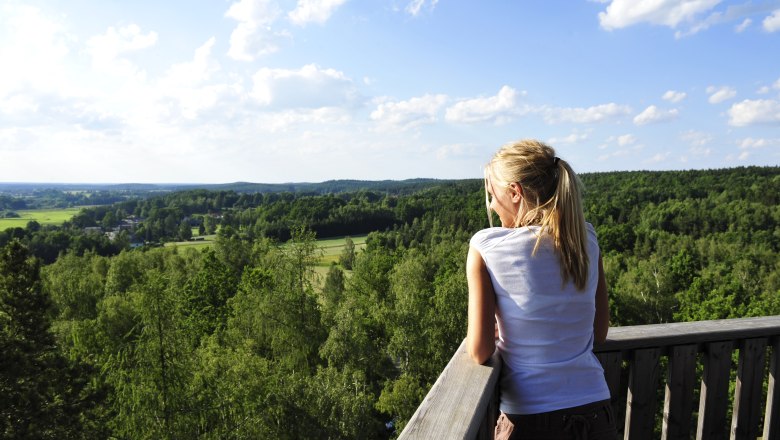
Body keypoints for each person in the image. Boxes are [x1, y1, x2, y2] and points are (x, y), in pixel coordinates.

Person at [466, 139, 616, 440]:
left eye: (492, 195)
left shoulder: (487, 246)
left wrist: (502, 330)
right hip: (595, 411)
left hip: (530, 418)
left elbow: (480, 352)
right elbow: (599, 333)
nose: (492, 205)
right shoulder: (584, 237)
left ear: (515, 192)